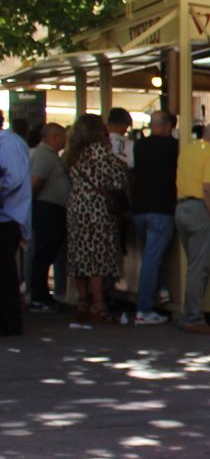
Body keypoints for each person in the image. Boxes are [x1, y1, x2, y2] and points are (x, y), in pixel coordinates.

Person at [63, 113, 128, 324]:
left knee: (79, 254)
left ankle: (83, 301)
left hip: (76, 205)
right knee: (97, 255)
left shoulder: (72, 153)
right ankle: (98, 304)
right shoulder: (100, 151)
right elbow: (118, 180)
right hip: (97, 206)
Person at [131, 109, 179, 325]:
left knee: (151, 257)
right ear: (169, 126)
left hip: (139, 209)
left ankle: (160, 292)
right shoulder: (173, 147)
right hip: (162, 208)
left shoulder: (139, 146)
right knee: (153, 258)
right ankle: (144, 308)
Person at [173, 124, 210, 335]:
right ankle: (193, 317)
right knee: (198, 268)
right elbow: (207, 187)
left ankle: (187, 313)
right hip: (200, 209)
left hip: (181, 208)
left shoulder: (188, 149)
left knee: (193, 266)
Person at [27, 121, 69, 310]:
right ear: (54, 138)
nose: (65, 141)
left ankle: (41, 294)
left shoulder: (50, 155)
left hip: (51, 208)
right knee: (43, 253)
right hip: (47, 209)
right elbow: (36, 182)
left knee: (47, 253)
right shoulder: (44, 155)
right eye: (62, 137)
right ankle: (38, 296)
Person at [0, 108, 30, 335]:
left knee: (5, 272)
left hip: (6, 217)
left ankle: (9, 323)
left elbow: (13, 180)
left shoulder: (8, 144)